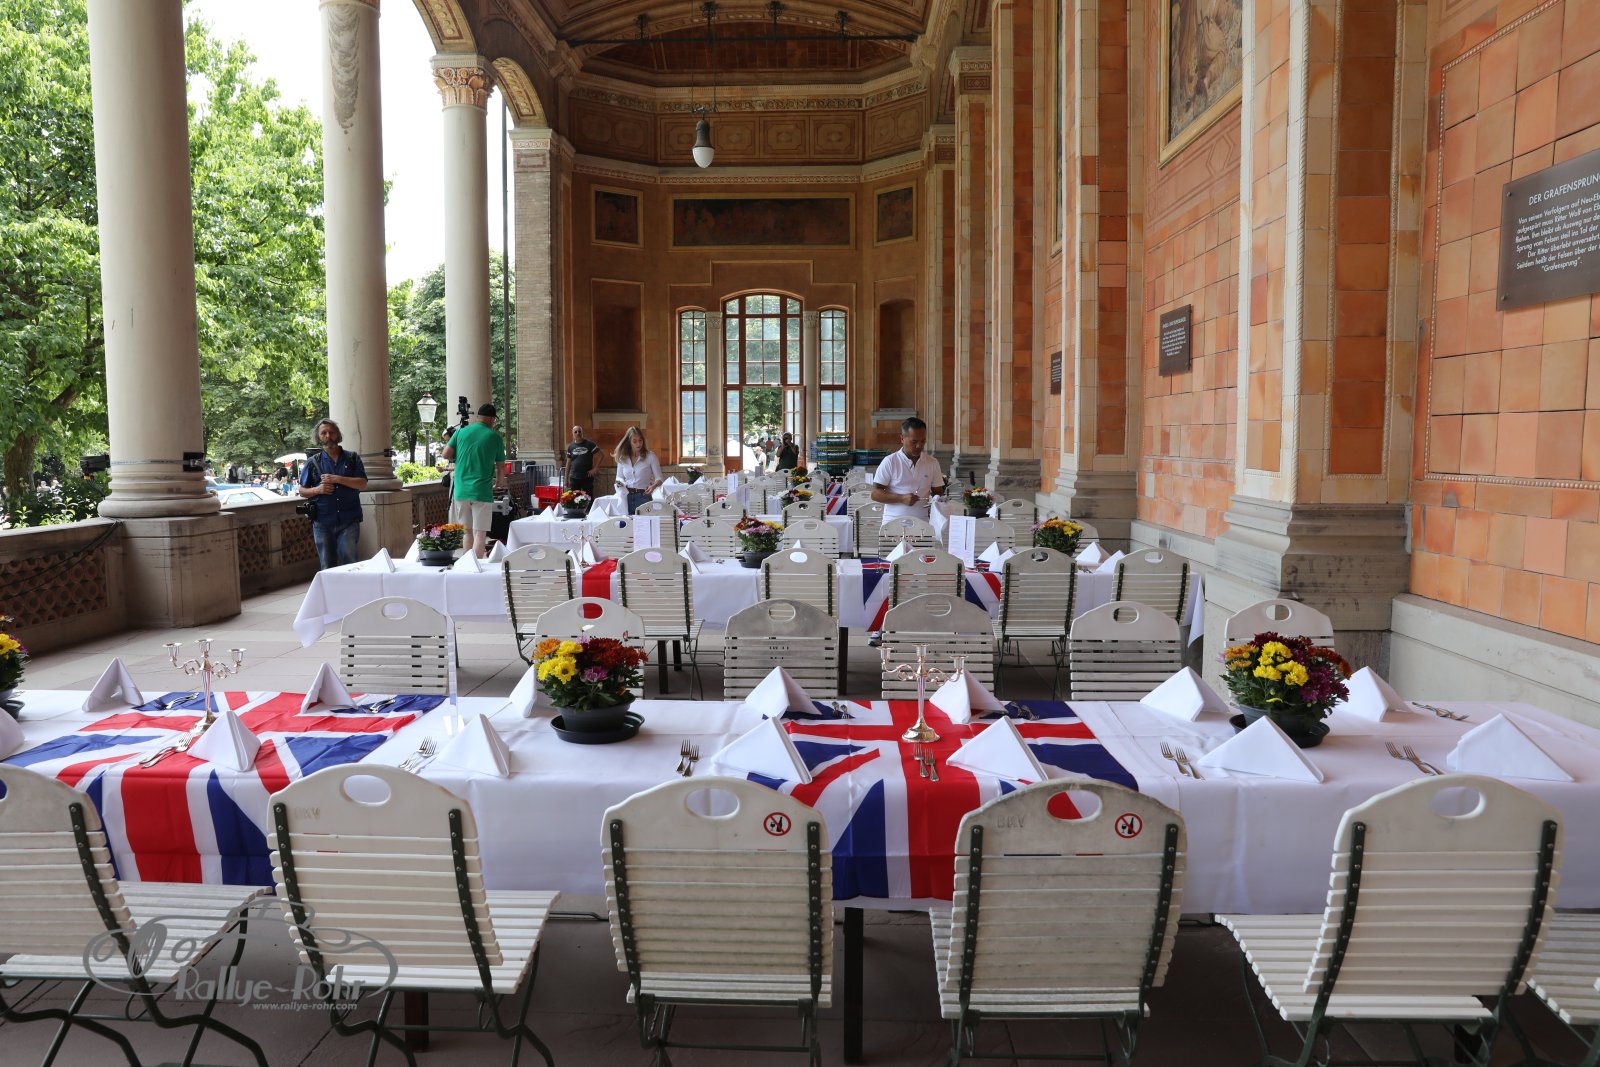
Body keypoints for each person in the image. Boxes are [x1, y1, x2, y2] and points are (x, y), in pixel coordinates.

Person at [298, 418, 368, 569]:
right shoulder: (313, 462)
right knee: (327, 565)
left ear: (337, 435)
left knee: (351, 563)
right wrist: (318, 490)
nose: (328, 436)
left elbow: (362, 484)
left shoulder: (352, 458)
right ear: (318, 437)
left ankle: (352, 586)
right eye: (324, 433)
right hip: (322, 521)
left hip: (349, 520)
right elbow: (302, 491)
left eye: (331, 432)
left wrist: (338, 479)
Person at [443, 404, 506, 559]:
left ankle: (467, 565)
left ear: (478, 417)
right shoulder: (494, 437)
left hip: (461, 490)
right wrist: (499, 483)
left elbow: (446, 455)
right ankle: (476, 566)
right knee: (480, 533)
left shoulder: (460, 432)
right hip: (482, 491)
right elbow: (501, 466)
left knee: (467, 532)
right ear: (492, 419)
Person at [871, 416, 945, 521]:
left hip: (922, 522)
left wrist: (939, 499)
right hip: (893, 521)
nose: (919, 446)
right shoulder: (890, 461)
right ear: (902, 438)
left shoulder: (932, 463)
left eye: (923, 441)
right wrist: (901, 498)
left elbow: (937, 492)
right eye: (914, 441)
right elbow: (875, 494)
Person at [613, 426, 663, 515]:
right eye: (634, 441)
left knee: (644, 523)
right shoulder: (622, 457)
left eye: (640, 440)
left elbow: (659, 478)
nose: (638, 444)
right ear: (629, 442)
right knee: (627, 522)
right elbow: (619, 477)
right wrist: (620, 483)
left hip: (643, 497)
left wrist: (653, 486)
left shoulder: (650, 456)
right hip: (626, 497)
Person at [564, 425, 600, 496]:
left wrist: (595, 468)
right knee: (574, 498)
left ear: (582, 432)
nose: (578, 433)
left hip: (587, 477)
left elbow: (601, 455)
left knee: (588, 498)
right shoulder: (570, 447)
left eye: (579, 431)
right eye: (575, 432)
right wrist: (566, 479)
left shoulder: (590, 444)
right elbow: (568, 463)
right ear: (573, 434)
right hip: (574, 477)